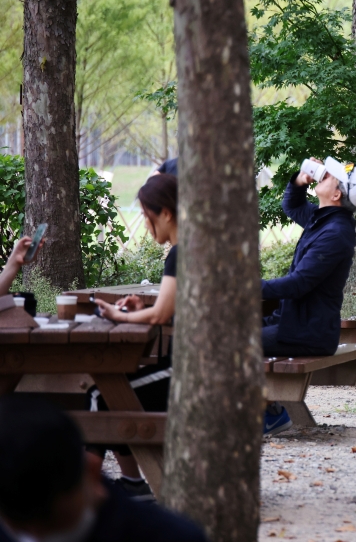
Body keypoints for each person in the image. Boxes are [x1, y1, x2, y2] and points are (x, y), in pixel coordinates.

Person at [261, 158, 356, 435]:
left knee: (229, 342)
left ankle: (267, 411)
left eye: (330, 176)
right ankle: (266, 410)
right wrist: (299, 181)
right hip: (292, 323)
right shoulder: (323, 218)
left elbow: (298, 285)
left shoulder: (335, 234)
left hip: (307, 333)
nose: (323, 174)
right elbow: (293, 206)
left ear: (336, 195)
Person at [0, 395, 207, 542]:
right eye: (20, 528)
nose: (37, 535)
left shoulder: (171, 536)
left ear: (92, 473)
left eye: (56, 524)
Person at [90, 174, 178, 500]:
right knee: (112, 386)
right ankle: (131, 483)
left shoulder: (180, 254)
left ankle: (85, 492)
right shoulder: (191, 249)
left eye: (146, 214)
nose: (145, 222)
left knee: (103, 397)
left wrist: (118, 315)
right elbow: (170, 306)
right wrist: (139, 307)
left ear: (166, 213)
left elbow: (161, 315)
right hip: (188, 362)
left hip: (188, 371)